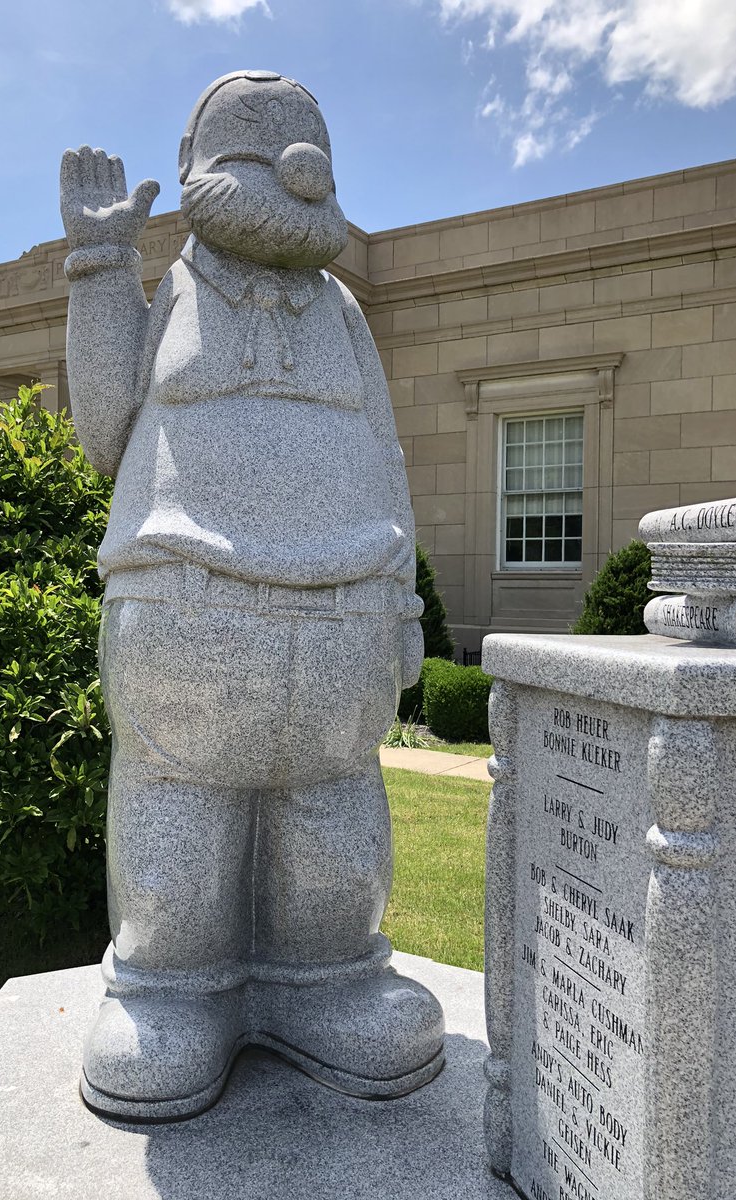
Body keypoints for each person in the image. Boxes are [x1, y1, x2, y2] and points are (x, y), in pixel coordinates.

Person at [61, 69, 445, 1121]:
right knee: (178, 814)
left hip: (344, 623)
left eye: (308, 155)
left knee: (333, 814)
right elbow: (105, 432)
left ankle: (329, 982)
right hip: (186, 608)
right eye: (256, 152)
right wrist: (100, 266)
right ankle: (172, 993)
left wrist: (404, 605)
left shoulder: (347, 316)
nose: (296, 174)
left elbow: (384, 449)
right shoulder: (171, 296)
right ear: (193, 170)